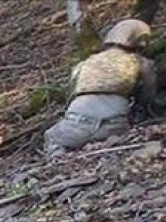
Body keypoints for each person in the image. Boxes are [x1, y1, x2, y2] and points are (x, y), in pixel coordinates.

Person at [44, 19, 156, 153]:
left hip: (75, 125)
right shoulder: (140, 62)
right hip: (114, 125)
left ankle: (58, 160)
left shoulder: (84, 64)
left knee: (52, 137)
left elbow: (70, 94)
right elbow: (149, 92)